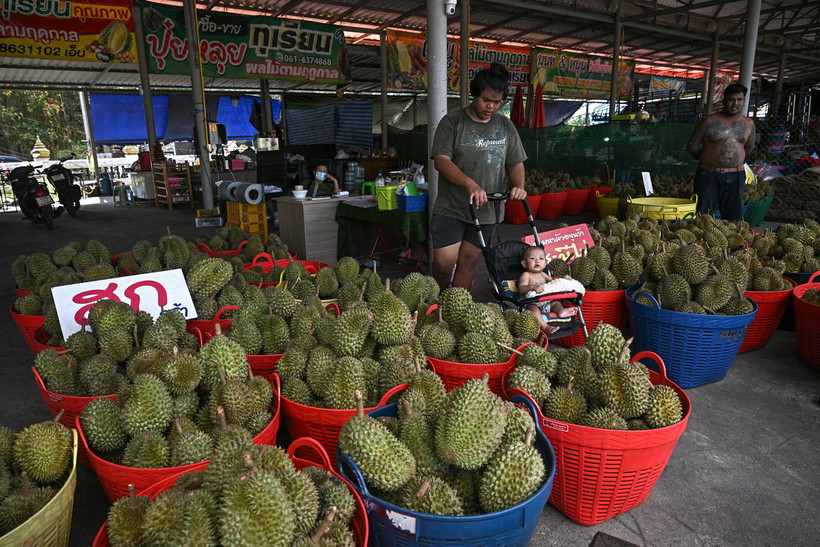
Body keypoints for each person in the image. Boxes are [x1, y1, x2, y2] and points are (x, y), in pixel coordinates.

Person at [430, 62, 528, 290]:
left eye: (497, 102)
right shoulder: (452, 122)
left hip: (487, 209)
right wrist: (470, 184)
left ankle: (457, 310)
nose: (491, 106)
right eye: (486, 100)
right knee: (445, 263)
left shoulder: (505, 126)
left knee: (469, 261)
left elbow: (515, 162)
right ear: (474, 95)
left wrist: (518, 185)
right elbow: (441, 161)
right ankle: (437, 300)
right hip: (452, 207)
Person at [685, 82, 755, 221]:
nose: (735, 104)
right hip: (709, 174)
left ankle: (734, 242)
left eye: (739, 100)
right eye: (731, 99)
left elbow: (748, 147)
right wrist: (708, 159)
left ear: (744, 101)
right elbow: (692, 146)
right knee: (703, 215)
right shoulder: (709, 121)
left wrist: (736, 160)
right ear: (724, 100)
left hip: (736, 175)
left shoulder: (748, 123)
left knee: (734, 216)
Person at [517, 245, 577, 334]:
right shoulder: (526, 275)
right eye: (532, 258)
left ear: (545, 263)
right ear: (524, 263)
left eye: (541, 258)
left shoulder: (543, 275)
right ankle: (544, 326)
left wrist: (563, 278)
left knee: (556, 303)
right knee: (533, 309)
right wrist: (532, 287)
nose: (537, 260)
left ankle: (561, 312)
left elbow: (553, 281)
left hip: (545, 302)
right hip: (531, 302)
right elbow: (521, 288)